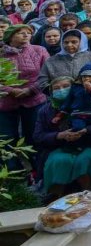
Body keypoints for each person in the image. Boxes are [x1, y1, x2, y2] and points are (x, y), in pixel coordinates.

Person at [33, 73, 91, 199]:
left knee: (84, 161)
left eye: (65, 86)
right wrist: (60, 135)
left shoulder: (89, 103)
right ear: (51, 92)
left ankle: (89, 199)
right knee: (60, 161)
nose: (61, 90)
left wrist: (86, 130)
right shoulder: (45, 111)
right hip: (58, 148)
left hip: (87, 145)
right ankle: (54, 199)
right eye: (56, 88)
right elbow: (38, 136)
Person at [1, 24, 48, 156]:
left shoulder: (39, 50)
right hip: (7, 102)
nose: (26, 35)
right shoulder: (1, 54)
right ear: (10, 37)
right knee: (8, 138)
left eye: (28, 32)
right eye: (20, 33)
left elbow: (47, 74)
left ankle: (35, 165)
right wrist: (10, 90)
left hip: (35, 100)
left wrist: (31, 90)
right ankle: (12, 165)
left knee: (34, 135)